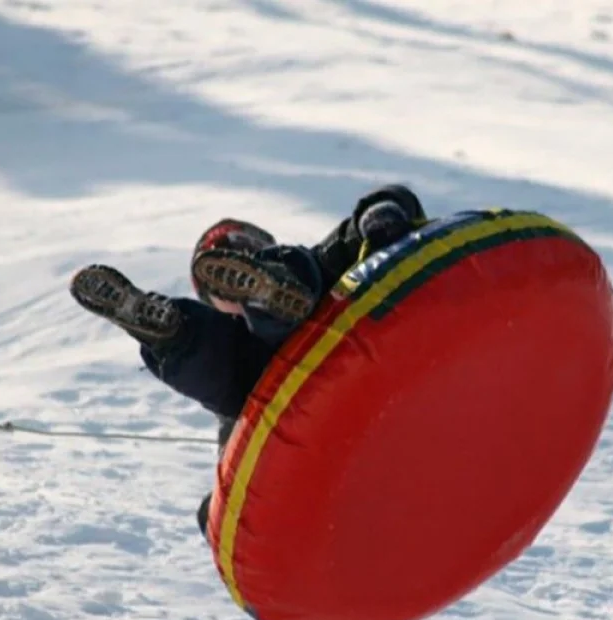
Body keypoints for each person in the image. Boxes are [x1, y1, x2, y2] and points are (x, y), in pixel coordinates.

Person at [68, 185, 428, 533]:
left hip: (348, 329)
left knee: (299, 283)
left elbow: (393, 203)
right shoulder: (236, 375)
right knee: (224, 369)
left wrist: (381, 219)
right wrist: (213, 516)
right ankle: (172, 333)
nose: (231, 281)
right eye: (221, 281)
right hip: (293, 394)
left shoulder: (324, 266)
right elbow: (237, 476)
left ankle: (208, 324)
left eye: (243, 261)